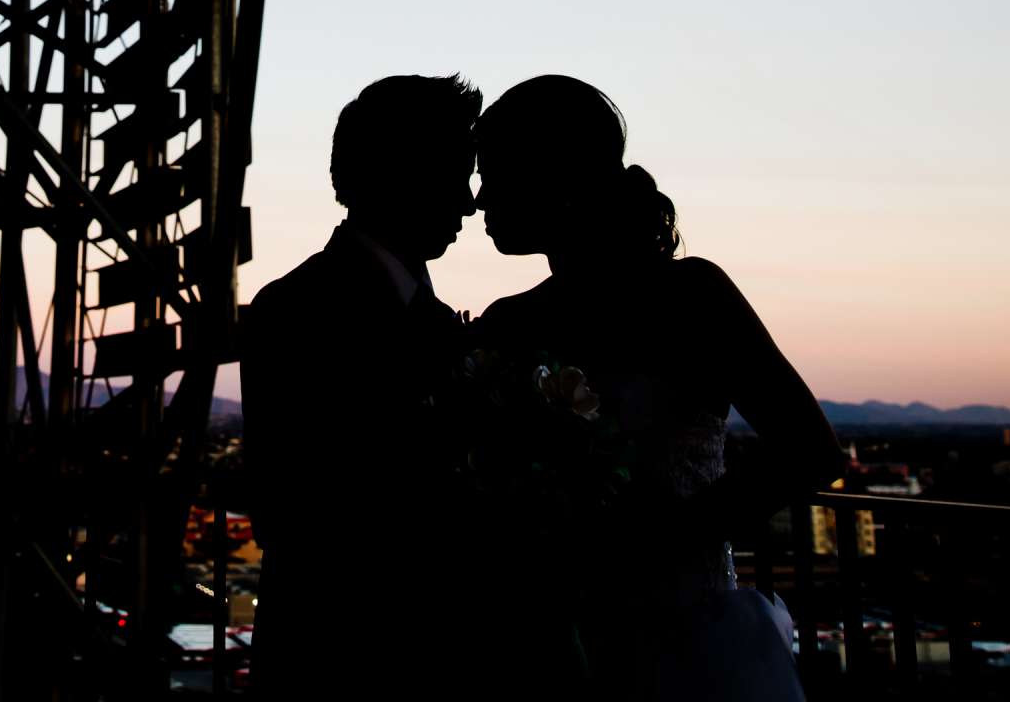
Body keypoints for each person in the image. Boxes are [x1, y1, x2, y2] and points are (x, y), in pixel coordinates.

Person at [475, 75, 845, 699]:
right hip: (544, 637)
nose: (480, 199)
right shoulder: (507, 322)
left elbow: (811, 449)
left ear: (556, 179)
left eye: (496, 174)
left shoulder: (691, 297)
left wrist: (658, 540)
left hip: (685, 634)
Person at [242, 73, 482, 699]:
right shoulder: (295, 311)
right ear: (407, 173)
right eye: (459, 173)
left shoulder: (434, 322)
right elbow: (295, 510)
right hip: (338, 659)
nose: (470, 202)